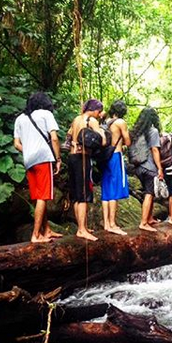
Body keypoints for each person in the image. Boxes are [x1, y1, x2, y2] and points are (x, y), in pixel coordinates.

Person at [13, 92, 63, 243]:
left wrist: (28, 150)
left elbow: (16, 144)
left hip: (29, 160)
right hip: (43, 158)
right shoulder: (46, 114)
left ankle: (46, 230)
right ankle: (35, 235)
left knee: (37, 196)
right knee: (43, 196)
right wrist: (58, 158)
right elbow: (54, 138)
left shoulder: (20, 118)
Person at [67, 99, 106, 241]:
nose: (99, 114)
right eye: (99, 111)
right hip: (83, 158)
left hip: (72, 157)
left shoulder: (76, 119)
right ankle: (82, 230)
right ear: (94, 110)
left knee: (77, 195)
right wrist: (101, 131)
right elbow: (103, 141)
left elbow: (69, 136)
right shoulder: (92, 120)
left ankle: (81, 227)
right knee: (84, 194)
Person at [130, 107, 164, 232]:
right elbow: (155, 150)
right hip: (149, 167)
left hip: (138, 167)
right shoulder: (153, 131)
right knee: (149, 194)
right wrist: (160, 168)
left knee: (148, 192)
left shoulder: (135, 132)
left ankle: (149, 218)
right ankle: (143, 222)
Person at [101, 100, 131, 235]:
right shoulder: (120, 122)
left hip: (105, 157)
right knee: (115, 189)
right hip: (115, 156)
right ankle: (113, 224)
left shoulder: (106, 122)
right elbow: (128, 141)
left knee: (106, 190)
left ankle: (106, 224)